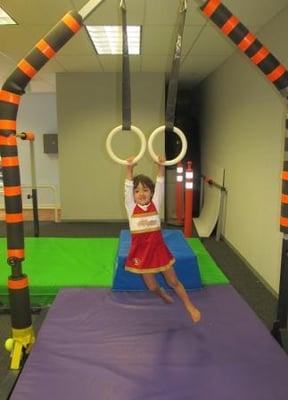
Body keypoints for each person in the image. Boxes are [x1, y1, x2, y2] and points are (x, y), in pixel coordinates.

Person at [124, 155, 201, 323]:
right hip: (141, 254)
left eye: (145, 190)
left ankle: (189, 305)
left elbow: (160, 183)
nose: (141, 194)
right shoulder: (131, 208)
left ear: (151, 192)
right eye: (137, 191)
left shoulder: (155, 205)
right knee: (152, 287)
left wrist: (161, 166)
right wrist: (129, 169)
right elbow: (127, 185)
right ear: (132, 196)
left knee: (173, 281)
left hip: (158, 251)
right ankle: (161, 293)